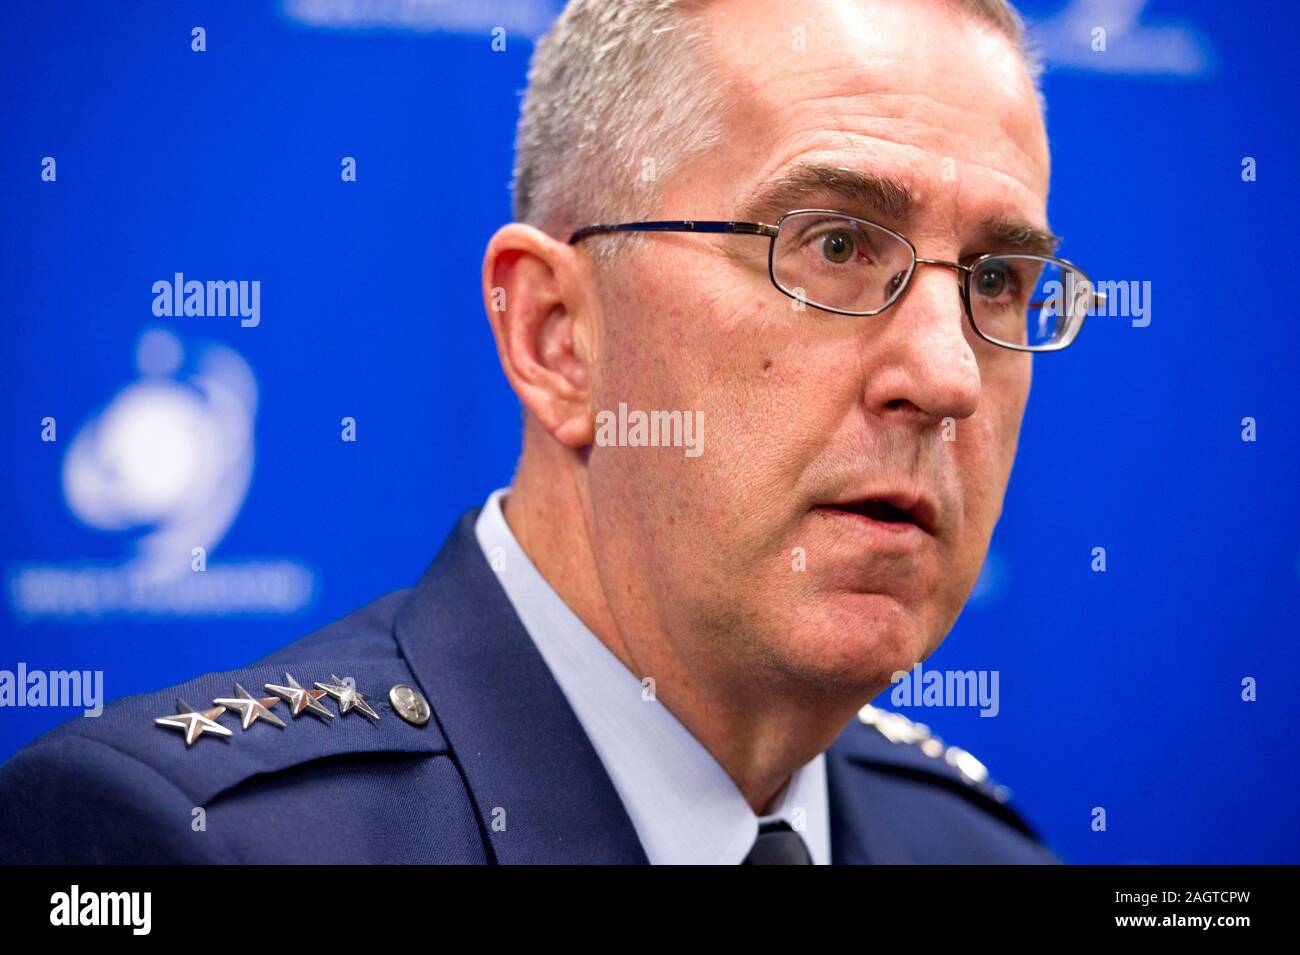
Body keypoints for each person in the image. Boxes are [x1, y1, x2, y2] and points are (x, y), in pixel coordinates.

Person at [0, 0, 1100, 864]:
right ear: (557, 336)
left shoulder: (978, 848)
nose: (947, 375)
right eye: (832, 246)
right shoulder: (172, 839)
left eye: (999, 281)